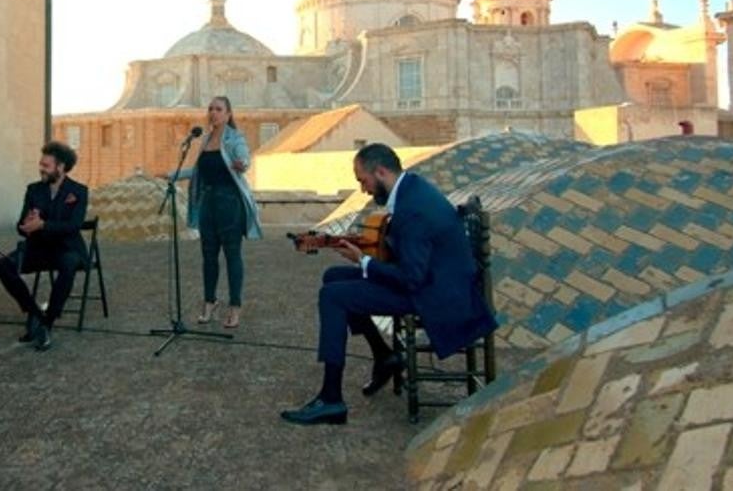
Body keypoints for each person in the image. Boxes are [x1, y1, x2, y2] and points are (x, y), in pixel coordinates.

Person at [280, 143, 497, 425]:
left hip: (435, 295)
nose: (363, 189)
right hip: (434, 280)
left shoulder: (411, 210)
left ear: (380, 172)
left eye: (363, 181)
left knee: (333, 296)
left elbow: (411, 278)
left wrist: (365, 262)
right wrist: (364, 257)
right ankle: (384, 356)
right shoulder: (412, 188)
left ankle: (331, 399)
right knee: (333, 277)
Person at [176, 96, 262, 329]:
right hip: (208, 202)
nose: (213, 113)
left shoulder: (235, 138)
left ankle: (235, 306)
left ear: (228, 114)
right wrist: (173, 174)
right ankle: (209, 302)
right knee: (208, 256)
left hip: (229, 202)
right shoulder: (204, 140)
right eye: (210, 109)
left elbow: (244, 158)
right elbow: (198, 171)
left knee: (232, 255)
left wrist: (242, 163)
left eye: (218, 109)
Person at [0, 141, 89, 351]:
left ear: (61, 167)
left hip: (66, 248)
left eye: (46, 165)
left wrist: (43, 224)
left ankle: (48, 323)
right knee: (3, 266)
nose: (41, 169)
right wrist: (27, 224)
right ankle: (35, 314)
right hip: (38, 248)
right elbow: (20, 226)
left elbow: (73, 226)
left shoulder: (79, 191)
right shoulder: (34, 190)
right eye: (41, 164)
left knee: (69, 264)